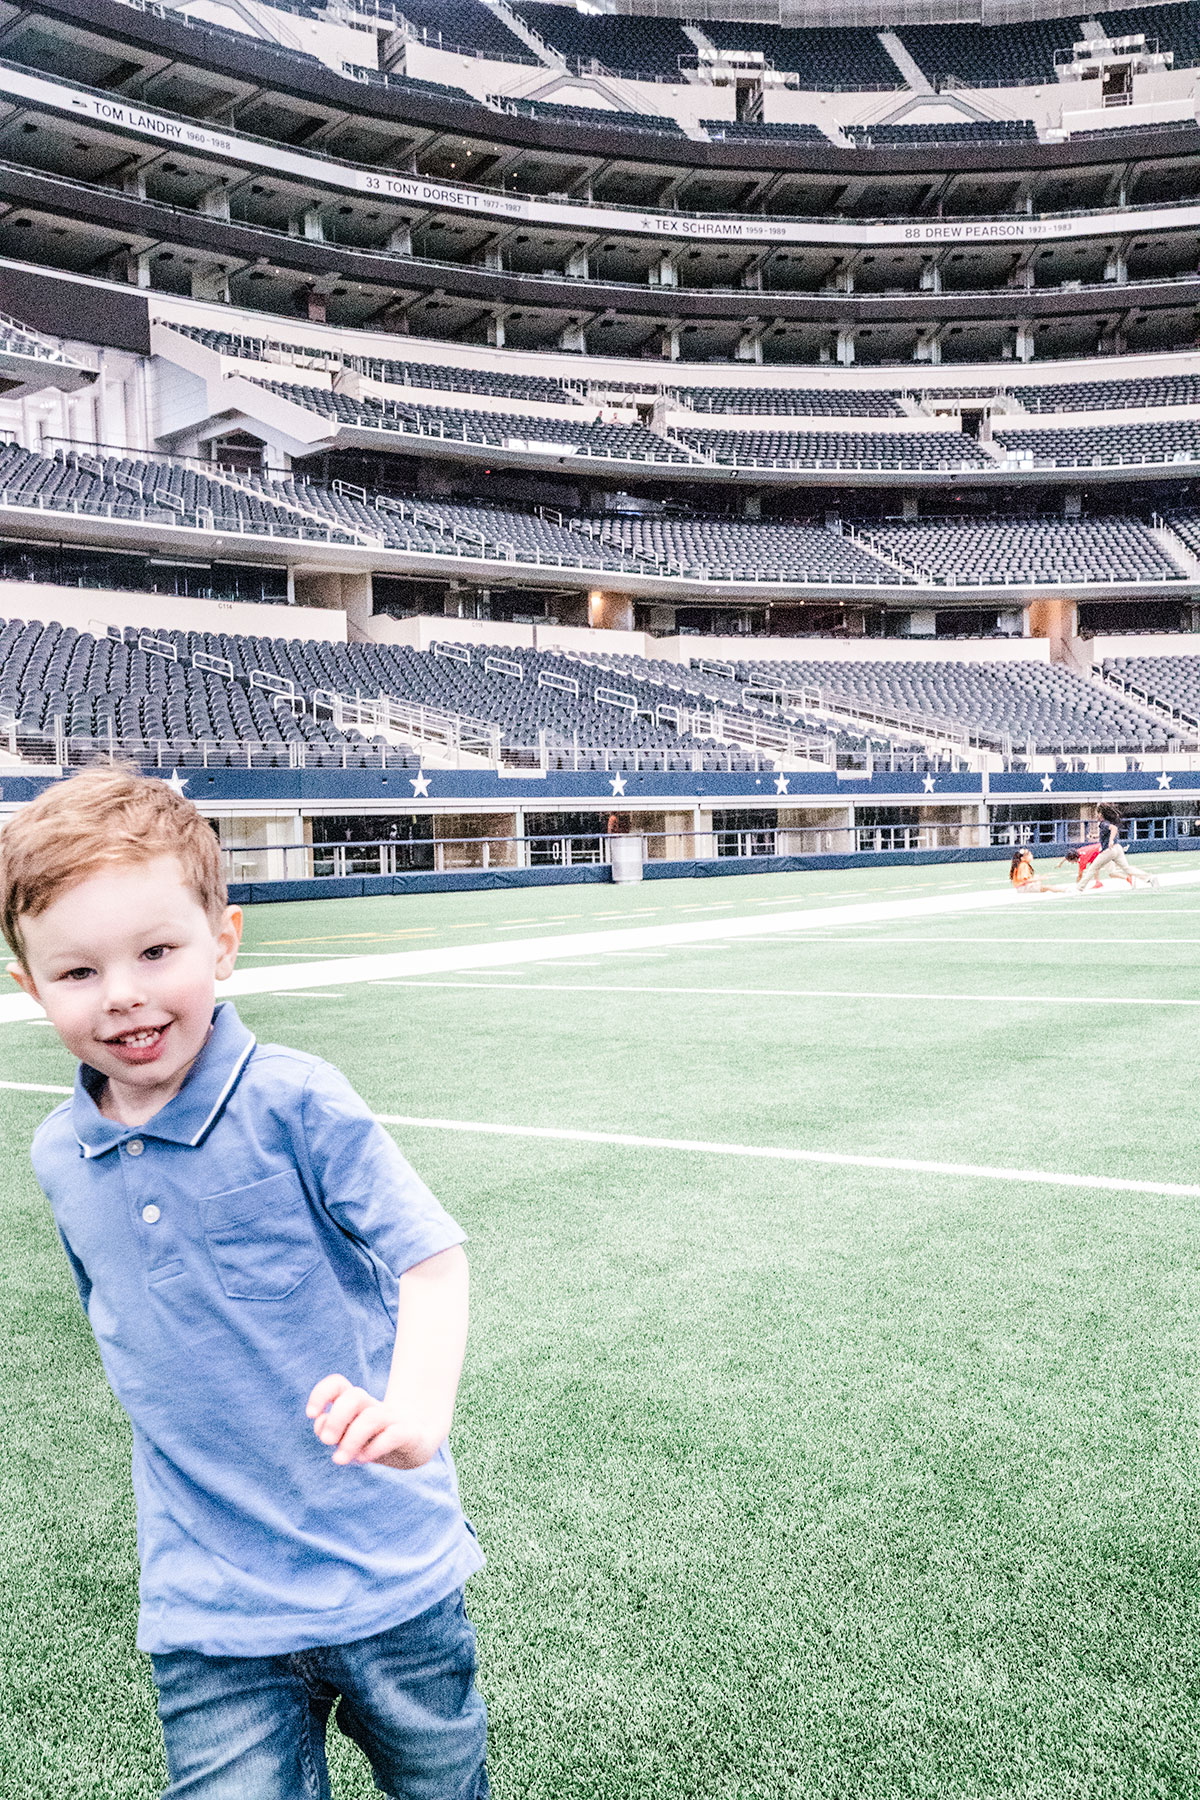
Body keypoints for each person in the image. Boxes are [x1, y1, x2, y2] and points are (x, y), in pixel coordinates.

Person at [0, 766, 488, 1800]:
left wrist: (415, 1414)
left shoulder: (297, 1101)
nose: (124, 991)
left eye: (157, 952)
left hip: (386, 1574)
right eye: (78, 972)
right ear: (28, 986)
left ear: (222, 941)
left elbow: (433, 1261)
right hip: (209, 1607)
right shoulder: (59, 1155)